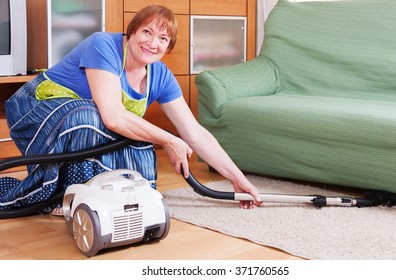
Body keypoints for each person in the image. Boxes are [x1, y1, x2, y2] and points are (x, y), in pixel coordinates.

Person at [0, 5, 261, 214]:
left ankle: (111, 199)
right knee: (91, 116)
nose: (153, 43)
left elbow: (195, 132)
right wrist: (169, 139)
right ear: (131, 32)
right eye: (146, 32)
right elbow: (113, 116)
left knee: (138, 138)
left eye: (163, 38)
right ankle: (61, 196)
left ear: (168, 48)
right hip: (33, 114)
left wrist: (237, 179)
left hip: (80, 125)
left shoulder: (160, 76)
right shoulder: (102, 45)